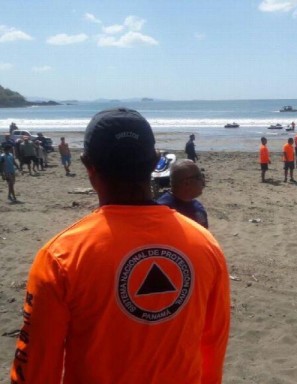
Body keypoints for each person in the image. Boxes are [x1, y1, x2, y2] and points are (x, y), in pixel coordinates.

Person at [11, 108, 230, 384]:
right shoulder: (205, 244)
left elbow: (35, 369)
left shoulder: (60, 256)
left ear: (87, 164)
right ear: (155, 161)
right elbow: (213, 343)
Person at [157, 159, 209, 229]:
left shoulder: (198, 207)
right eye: (199, 177)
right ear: (186, 183)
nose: (203, 181)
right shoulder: (162, 211)